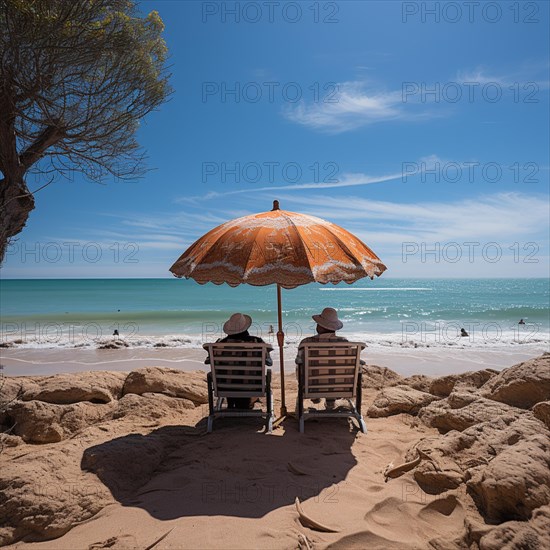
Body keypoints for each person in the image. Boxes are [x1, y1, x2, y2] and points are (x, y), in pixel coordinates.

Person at [295, 307, 361, 410]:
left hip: (312, 387)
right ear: (334, 327)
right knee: (337, 369)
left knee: (299, 365)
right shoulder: (345, 343)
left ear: (320, 327)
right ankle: (331, 399)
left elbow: (298, 361)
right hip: (341, 387)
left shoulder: (306, 343)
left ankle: (315, 397)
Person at [205, 313, 273, 410]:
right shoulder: (257, 342)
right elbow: (269, 362)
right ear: (246, 327)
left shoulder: (219, 344)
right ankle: (246, 403)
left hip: (224, 388)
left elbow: (208, 361)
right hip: (252, 388)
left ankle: (232, 403)